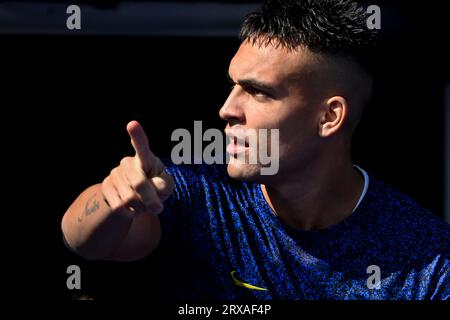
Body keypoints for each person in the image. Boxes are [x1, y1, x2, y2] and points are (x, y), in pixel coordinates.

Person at [61, 0, 449, 300]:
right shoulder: (200, 193)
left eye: (258, 91)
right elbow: (84, 240)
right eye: (233, 85)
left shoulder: (429, 258)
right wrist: (115, 200)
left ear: (329, 117)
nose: (227, 109)